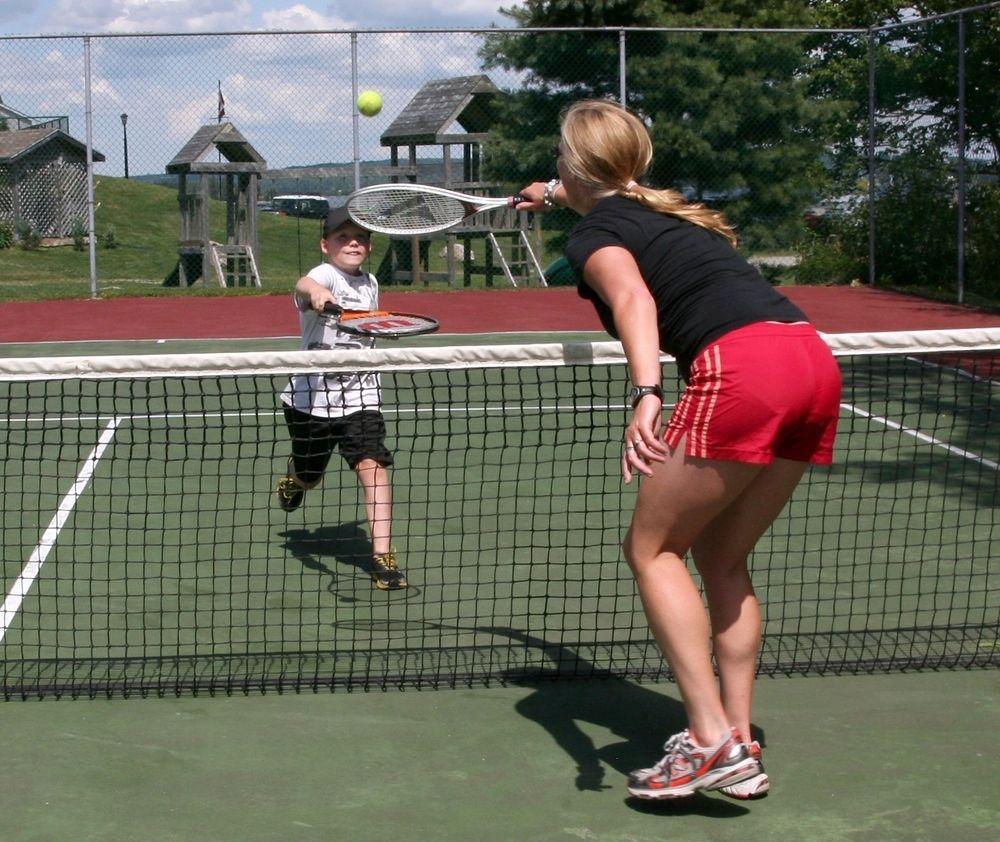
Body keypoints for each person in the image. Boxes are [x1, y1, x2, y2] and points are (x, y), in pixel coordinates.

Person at [516, 100, 841, 800]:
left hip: (743, 369)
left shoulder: (597, 234)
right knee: (721, 557)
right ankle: (738, 744)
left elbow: (634, 300)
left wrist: (646, 391)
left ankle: (706, 738)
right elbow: (606, 208)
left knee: (651, 549)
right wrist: (553, 194)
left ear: (577, 164)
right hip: (810, 358)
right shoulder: (664, 215)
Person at [275, 205, 407, 591]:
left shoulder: (370, 283)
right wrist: (317, 294)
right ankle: (296, 480)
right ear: (325, 245)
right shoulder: (324, 274)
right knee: (310, 476)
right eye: (342, 237)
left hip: (361, 397)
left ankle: (382, 558)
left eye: (361, 237)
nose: (353, 243)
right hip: (310, 401)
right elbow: (304, 283)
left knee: (374, 469)